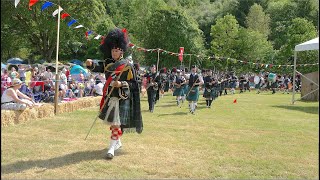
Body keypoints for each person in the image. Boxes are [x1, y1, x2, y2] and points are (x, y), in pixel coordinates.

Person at [86, 28, 143, 159]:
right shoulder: (107, 63)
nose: (113, 52)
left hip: (122, 97)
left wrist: (121, 84)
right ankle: (117, 142)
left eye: (116, 50)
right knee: (113, 123)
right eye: (112, 50)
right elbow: (98, 67)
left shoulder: (128, 66)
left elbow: (135, 84)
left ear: (122, 51)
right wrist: (90, 64)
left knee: (116, 123)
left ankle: (111, 148)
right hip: (110, 96)